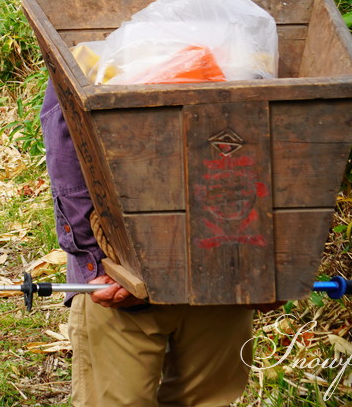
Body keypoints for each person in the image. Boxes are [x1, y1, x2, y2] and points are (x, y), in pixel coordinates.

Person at [41, 80, 256, 406]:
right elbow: (69, 145)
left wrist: (269, 267)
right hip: (124, 279)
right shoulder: (90, 47)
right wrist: (101, 264)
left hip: (221, 274)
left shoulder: (242, 46)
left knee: (206, 397)